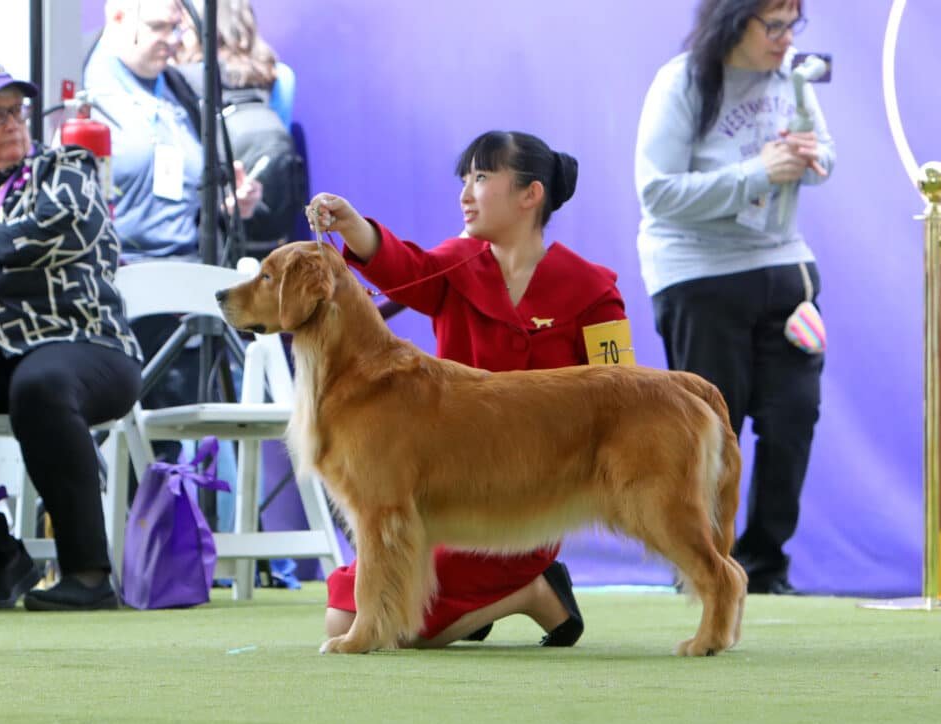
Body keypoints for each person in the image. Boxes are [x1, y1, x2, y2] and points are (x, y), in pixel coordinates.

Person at [308, 130, 627, 647]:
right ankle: (507, 599)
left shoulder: (594, 290)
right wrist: (352, 225)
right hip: (449, 509)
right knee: (343, 615)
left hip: (527, 508)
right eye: (464, 179)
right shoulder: (454, 266)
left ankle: (531, 588)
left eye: (480, 177)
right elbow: (403, 267)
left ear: (531, 194)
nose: (465, 194)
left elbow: (622, 389)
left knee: (390, 628)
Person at [0, 60, 144, 610]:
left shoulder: (67, 168)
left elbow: (57, 226)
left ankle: (87, 574)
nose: (12, 124)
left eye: (17, 111)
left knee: (40, 386)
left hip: (81, 340)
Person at [634, 0, 834, 594]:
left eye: (793, 24)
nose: (786, 37)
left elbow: (825, 153)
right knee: (710, 433)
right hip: (698, 274)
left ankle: (766, 569)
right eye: (773, 25)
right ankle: (703, 567)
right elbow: (657, 192)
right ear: (732, 20)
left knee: (794, 418)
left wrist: (809, 158)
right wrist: (756, 172)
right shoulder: (682, 81)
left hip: (784, 267)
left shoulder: (792, 76)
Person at [83, 0, 262, 461]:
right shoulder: (83, 86)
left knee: (185, 443)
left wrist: (228, 205)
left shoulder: (180, 89)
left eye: (177, 28)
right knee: (126, 445)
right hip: (116, 293)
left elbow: (195, 188)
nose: (172, 40)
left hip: (184, 291)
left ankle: (185, 510)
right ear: (118, 18)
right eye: (158, 27)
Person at [175, 0, 306, 257]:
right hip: (273, 231)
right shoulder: (279, 75)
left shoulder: (183, 77)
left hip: (210, 228)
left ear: (203, 28)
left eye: (185, 28)